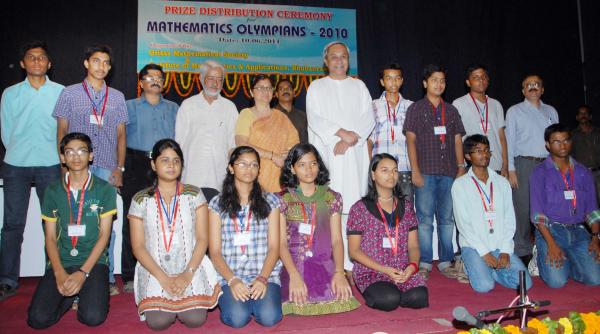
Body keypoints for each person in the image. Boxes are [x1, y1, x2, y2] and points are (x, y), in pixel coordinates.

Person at [53, 44, 128, 294]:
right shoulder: (69, 93)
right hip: (75, 167)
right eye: (96, 61)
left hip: (106, 167)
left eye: (106, 63)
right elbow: (62, 130)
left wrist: (120, 167)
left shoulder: (116, 97)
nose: (102, 67)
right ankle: (70, 275)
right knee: (74, 223)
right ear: (86, 63)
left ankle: (105, 279)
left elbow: (120, 135)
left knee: (106, 227)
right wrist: (63, 161)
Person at [128, 139, 220, 330]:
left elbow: (203, 239)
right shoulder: (140, 199)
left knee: (195, 319)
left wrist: (187, 275)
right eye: (165, 160)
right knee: (159, 322)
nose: (171, 165)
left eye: (176, 161)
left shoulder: (194, 195)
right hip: (155, 268)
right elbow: (138, 246)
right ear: (153, 164)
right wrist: (162, 278)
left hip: (191, 266)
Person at [27, 132, 116, 328]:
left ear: (91, 155)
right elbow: (49, 237)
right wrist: (59, 272)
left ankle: (82, 290)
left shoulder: (105, 189)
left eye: (82, 151)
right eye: (70, 152)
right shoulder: (52, 190)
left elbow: (104, 236)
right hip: (62, 261)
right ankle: (69, 296)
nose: (76, 156)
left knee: (93, 318)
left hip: (93, 263)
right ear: (62, 157)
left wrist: (82, 273)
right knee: (37, 320)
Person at [0, 41, 64, 300]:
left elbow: (65, 128)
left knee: (52, 224)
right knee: (12, 225)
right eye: (31, 57)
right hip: (16, 164)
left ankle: (54, 275)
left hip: (51, 164)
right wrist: (20, 151)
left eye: (41, 58)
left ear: (49, 64)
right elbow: (6, 131)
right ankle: (7, 280)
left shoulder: (61, 92)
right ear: (23, 63)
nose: (37, 61)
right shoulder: (10, 93)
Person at [306, 41, 375, 271]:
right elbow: (315, 118)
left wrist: (350, 138)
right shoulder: (316, 87)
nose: (339, 60)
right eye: (334, 57)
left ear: (349, 60)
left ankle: (351, 262)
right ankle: (327, 261)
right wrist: (340, 134)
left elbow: (368, 119)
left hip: (353, 156)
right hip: (328, 155)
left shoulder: (359, 87)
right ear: (326, 62)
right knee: (328, 207)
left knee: (352, 207)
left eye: (343, 56)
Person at [278, 143, 359, 315]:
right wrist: (293, 274)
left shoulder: (332, 197)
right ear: (292, 169)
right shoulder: (283, 199)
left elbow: (337, 240)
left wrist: (339, 272)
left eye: (313, 163)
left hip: (323, 262)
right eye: (302, 165)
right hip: (294, 263)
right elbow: (280, 244)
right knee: (295, 303)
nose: (309, 169)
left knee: (341, 297)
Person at [403, 64, 466, 281]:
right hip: (426, 172)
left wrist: (461, 167)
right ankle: (425, 262)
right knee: (425, 220)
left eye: (442, 80)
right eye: (434, 80)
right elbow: (410, 140)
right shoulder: (415, 109)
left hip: (449, 172)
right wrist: (415, 171)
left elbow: (458, 140)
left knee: (447, 219)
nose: (438, 84)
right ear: (425, 83)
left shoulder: (452, 110)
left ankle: (446, 261)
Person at [208, 146, 282, 328]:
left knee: (269, 317)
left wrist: (263, 278)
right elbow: (215, 252)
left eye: (254, 165)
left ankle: (258, 302)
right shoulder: (217, 204)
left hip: (264, 274)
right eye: (242, 164)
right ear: (231, 168)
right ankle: (242, 304)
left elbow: (274, 247)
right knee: (237, 318)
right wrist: (232, 281)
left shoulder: (270, 201)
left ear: (259, 169)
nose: (249, 169)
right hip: (231, 275)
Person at [121, 64, 178, 293]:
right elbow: (120, 138)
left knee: (165, 220)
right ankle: (128, 274)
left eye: (159, 78)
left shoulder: (174, 107)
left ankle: (165, 269)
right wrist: (120, 167)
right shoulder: (129, 106)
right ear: (141, 82)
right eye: (150, 77)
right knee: (133, 219)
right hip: (136, 163)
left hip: (166, 164)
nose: (155, 81)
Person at [347, 154, 428, 311]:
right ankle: (386, 293)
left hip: (402, 270)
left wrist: (412, 267)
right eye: (385, 170)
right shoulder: (359, 208)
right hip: (372, 271)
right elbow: (354, 251)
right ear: (373, 175)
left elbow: (413, 246)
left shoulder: (407, 206)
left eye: (395, 170)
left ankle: (395, 292)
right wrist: (384, 270)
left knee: (420, 297)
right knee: (389, 299)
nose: (391, 175)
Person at [452, 135, 532, 293]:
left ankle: (488, 270)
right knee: (484, 286)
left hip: (498, 244)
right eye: (479, 151)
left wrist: (505, 250)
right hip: (474, 246)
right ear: (468, 156)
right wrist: (484, 254)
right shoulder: (460, 185)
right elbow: (464, 225)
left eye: (487, 150)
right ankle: (470, 266)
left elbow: (510, 219)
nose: (485, 155)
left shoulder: (502, 182)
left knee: (525, 284)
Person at [529, 123, 600, 288]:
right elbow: (537, 215)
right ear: (547, 145)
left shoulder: (583, 172)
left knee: (596, 279)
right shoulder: (540, 172)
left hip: (579, 231)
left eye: (566, 140)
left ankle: (570, 260)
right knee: (557, 282)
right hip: (552, 231)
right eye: (557, 141)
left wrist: (596, 238)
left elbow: (593, 211)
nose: (563, 145)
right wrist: (551, 244)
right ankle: (539, 255)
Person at [505, 74, 559, 266]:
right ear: (523, 91)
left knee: (549, 206)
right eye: (528, 85)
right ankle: (522, 251)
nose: (533, 87)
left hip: (548, 165)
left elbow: (557, 141)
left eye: (536, 85)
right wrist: (510, 169)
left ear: (542, 89)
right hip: (523, 163)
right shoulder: (514, 111)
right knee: (522, 207)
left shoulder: (551, 111)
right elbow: (509, 142)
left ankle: (547, 246)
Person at [176, 60, 238, 190]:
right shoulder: (188, 105)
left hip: (220, 177)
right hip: (192, 176)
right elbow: (179, 143)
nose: (215, 84)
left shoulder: (229, 107)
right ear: (202, 78)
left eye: (219, 80)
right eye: (211, 78)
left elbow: (233, 144)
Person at [235, 74, 299, 192]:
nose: (265, 91)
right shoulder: (246, 114)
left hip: (280, 177)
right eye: (260, 88)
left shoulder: (281, 116)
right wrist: (272, 156)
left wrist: (288, 154)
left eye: (269, 88)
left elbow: (294, 143)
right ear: (251, 92)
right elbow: (242, 145)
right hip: (254, 176)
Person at [368, 63, 414, 200]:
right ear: (382, 82)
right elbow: (368, 139)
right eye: (388, 78)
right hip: (381, 170)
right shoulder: (372, 105)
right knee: (381, 212)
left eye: (397, 78)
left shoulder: (411, 106)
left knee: (406, 213)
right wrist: (371, 167)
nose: (393, 82)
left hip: (405, 168)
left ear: (401, 80)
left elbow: (415, 141)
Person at [453, 64, 508, 176]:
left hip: (495, 164)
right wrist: (460, 165)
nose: (481, 80)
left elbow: (502, 137)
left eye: (484, 77)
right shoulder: (458, 103)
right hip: (471, 165)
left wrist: (505, 165)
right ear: (468, 82)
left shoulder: (496, 104)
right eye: (476, 77)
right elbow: (456, 138)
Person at [571, 105, 600, 204]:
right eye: (580, 113)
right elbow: (569, 155)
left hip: (598, 173)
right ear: (577, 117)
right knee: (584, 203)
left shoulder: (598, 132)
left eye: (585, 113)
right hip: (581, 174)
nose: (583, 115)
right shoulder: (572, 135)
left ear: (590, 116)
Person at [274, 78, 308, 144]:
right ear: (276, 94)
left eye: (289, 88)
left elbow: (305, 142)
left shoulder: (303, 116)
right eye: (281, 89)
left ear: (294, 93)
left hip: (298, 153)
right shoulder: (270, 114)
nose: (285, 90)